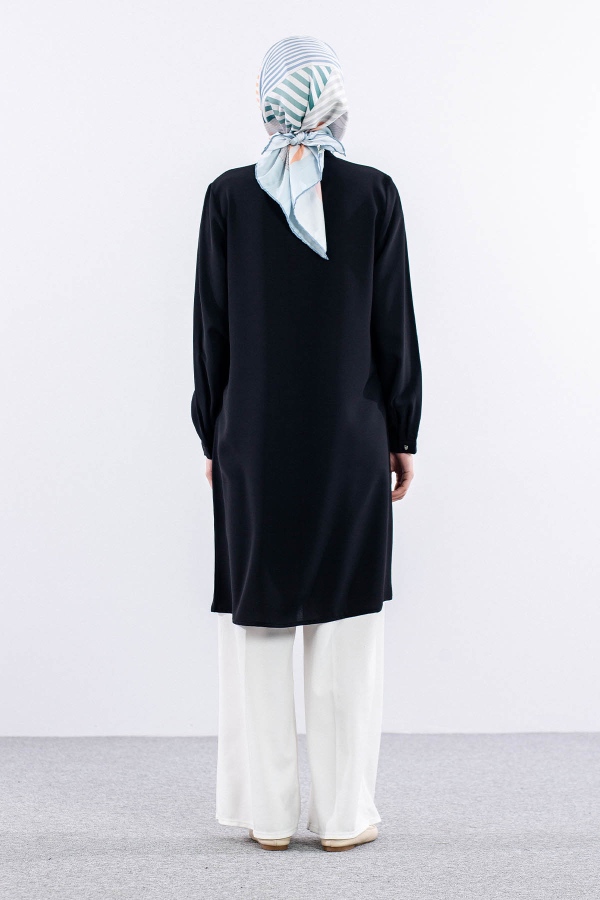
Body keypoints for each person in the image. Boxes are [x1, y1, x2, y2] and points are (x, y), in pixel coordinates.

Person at [191, 35, 422, 852]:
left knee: (258, 631)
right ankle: (344, 816)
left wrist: (213, 433)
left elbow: (211, 331)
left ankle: (267, 815)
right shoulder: (373, 193)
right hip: (351, 441)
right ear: (332, 97)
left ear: (268, 102)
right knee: (346, 628)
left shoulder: (228, 197)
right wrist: (402, 431)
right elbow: (393, 325)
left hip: (251, 441)